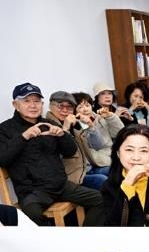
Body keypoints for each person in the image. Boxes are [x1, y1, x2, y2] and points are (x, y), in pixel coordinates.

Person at [0, 83, 104, 226]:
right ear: (15, 105)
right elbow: (2, 159)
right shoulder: (4, 129)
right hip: (32, 191)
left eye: (37, 101)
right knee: (32, 216)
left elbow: (70, 151)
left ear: (42, 104)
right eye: (27, 101)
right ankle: (52, 239)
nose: (33, 105)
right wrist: (24, 136)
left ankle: (84, 235)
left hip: (61, 185)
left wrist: (62, 135)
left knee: (101, 199)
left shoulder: (48, 123)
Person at [45, 91, 106, 190]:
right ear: (50, 106)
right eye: (60, 106)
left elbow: (98, 146)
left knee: (117, 170)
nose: (65, 110)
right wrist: (65, 129)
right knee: (102, 180)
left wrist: (91, 126)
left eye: (69, 107)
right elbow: (59, 154)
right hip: (72, 177)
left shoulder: (76, 124)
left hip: (88, 169)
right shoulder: (47, 126)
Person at [72, 92, 124, 176]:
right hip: (96, 163)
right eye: (80, 107)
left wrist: (110, 117)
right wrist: (89, 126)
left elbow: (119, 133)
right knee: (119, 171)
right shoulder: (76, 126)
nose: (85, 109)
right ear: (74, 110)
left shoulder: (99, 118)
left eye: (87, 105)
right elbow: (97, 146)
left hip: (112, 156)